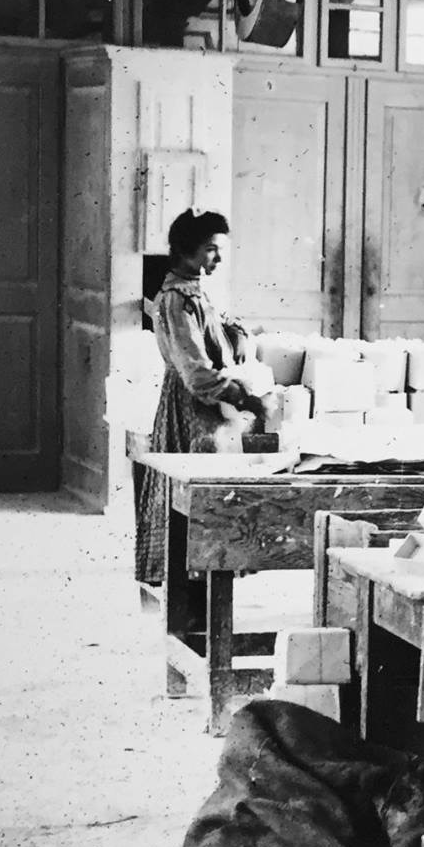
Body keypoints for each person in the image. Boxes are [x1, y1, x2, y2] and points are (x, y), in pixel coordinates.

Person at [135, 210, 266, 586]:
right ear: (186, 250)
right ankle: (194, 585)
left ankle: (208, 576)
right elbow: (196, 374)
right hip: (192, 408)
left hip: (210, 408)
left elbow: (216, 334)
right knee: (196, 497)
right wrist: (243, 398)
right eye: (211, 249)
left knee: (212, 498)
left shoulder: (195, 292)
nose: (219, 258)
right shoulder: (175, 300)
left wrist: (234, 334)